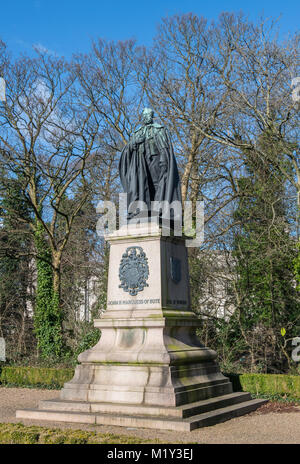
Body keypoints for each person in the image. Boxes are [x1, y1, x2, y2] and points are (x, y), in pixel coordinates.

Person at [119, 108, 182, 222]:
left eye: (148, 115)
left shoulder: (159, 129)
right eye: (144, 115)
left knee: (159, 185)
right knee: (143, 185)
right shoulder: (137, 132)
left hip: (157, 159)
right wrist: (134, 143)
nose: (146, 117)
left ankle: (159, 211)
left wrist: (164, 159)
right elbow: (129, 149)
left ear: (152, 116)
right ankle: (142, 210)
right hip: (142, 163)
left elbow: (164, 147)